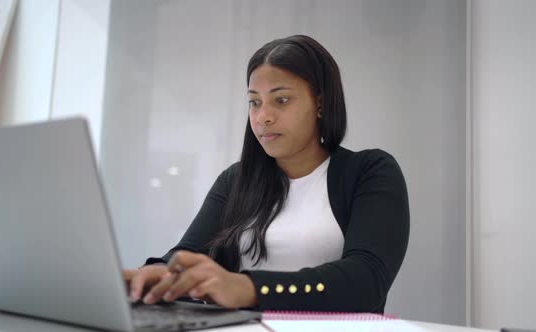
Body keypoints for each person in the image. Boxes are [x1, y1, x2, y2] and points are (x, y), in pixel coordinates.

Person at [124, 35, 409, 313]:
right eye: (254, 102)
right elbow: (188, 253)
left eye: (281, 100)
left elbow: (365, 281)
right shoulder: (235, 180)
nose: (263, 117)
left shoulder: (370, 171)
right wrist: (159, 273)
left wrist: (248, 288)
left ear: (320, 104)